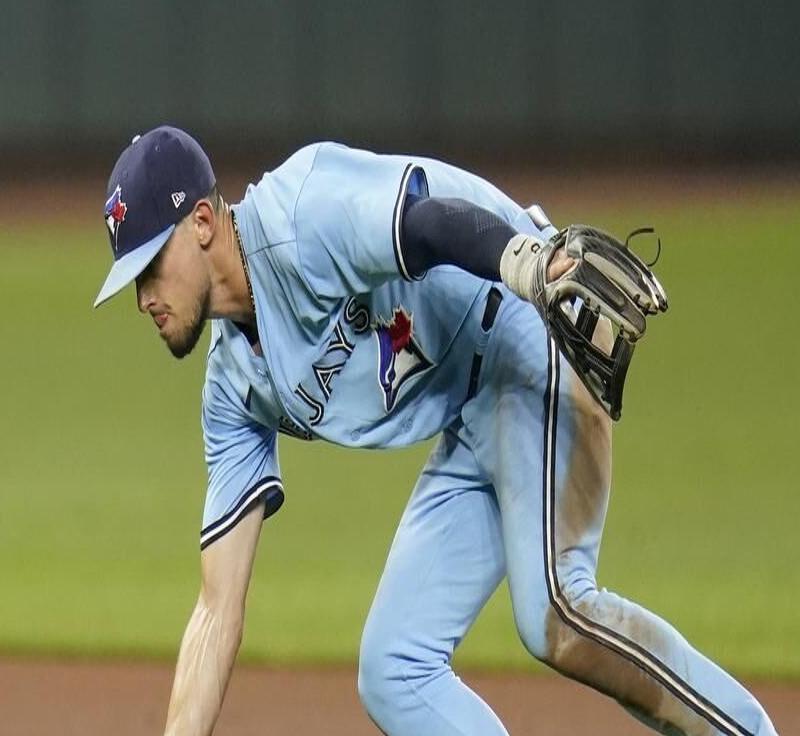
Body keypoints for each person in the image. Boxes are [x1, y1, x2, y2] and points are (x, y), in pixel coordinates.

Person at [94, 126, 777, 736]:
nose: (145, 295)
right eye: (132, 278)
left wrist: (523, 260)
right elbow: (217, 608)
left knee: (557, 611)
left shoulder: (301, 208)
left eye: (152, 264)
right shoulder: (232, 392)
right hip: (469, 417)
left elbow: (423, 225)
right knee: (394, 670)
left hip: (521, 332)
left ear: (205, 221)